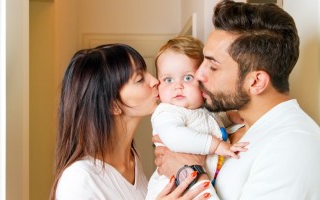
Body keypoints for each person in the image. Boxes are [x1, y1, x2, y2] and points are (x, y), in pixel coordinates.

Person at [154, 1, 320, 199]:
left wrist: (188, 171)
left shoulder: (294, 148)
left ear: (256, 82)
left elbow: (188, 169)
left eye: (213, 67)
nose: (198, 75)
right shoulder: (226, 126)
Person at [49, 44, 210, 200]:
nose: (155, 81)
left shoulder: (133, 159)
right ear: (113, 105)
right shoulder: (79, 179)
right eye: (140, 79)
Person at [146, 36, 249, 200]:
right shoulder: (166, 112)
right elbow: (175, 137)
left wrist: (230, 116)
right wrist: (216, 146)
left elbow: (211, 121)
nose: (177, 86)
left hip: (195, 177)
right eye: (168, 79)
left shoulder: (203, 109)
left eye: (187, 78)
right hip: (175, 186)